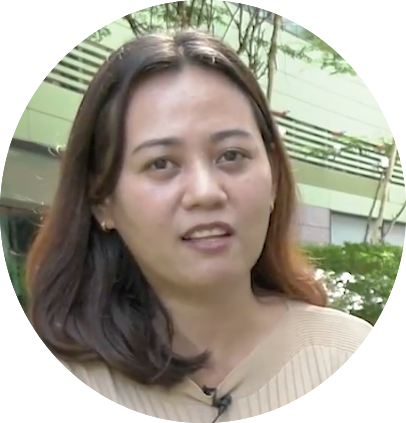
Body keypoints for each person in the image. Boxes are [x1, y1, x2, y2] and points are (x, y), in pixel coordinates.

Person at [25, 29, 372, 422]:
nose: (206, 193)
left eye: (231, 155)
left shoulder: (343, 351)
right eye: (160, 163)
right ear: (102, 200)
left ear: (274, 176)